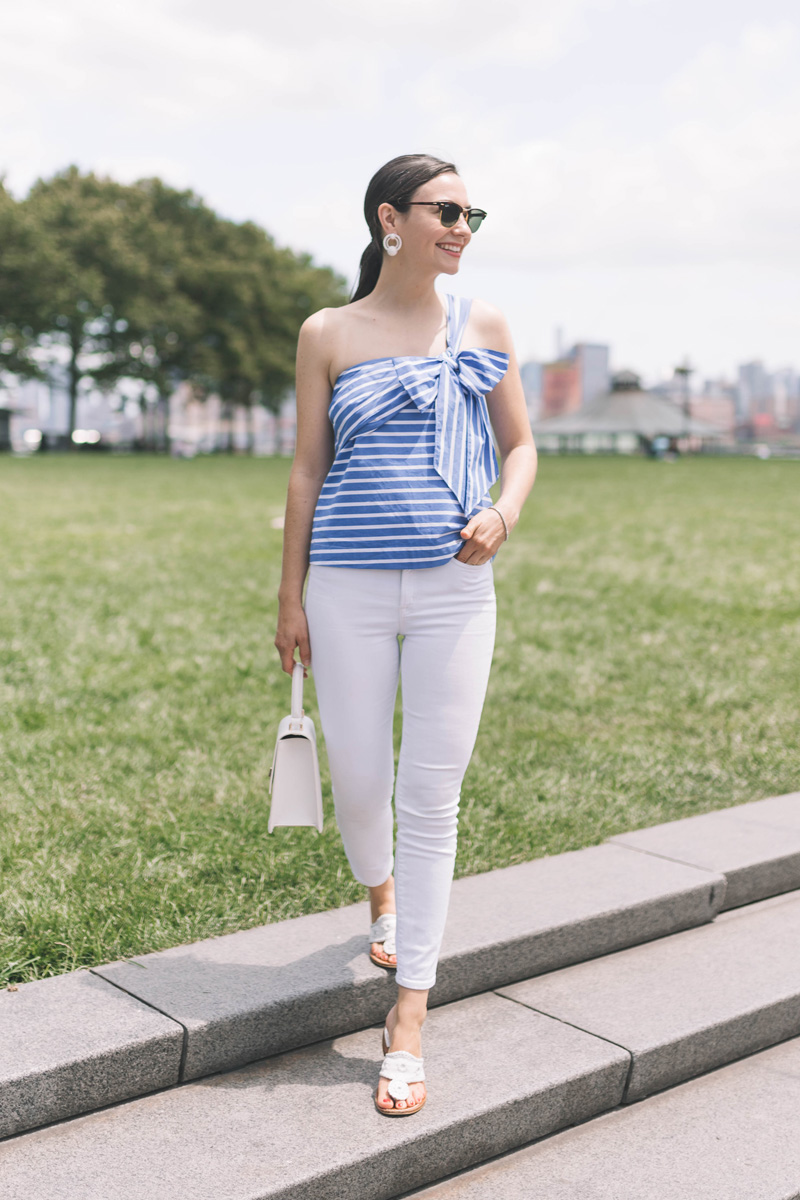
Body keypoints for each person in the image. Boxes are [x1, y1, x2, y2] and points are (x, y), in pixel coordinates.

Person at [274, 153, 537, 1116]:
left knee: (432, 794)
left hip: (455, 593)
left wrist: (505, 512)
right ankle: (376, 890)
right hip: (342, 586)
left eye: (473, 212)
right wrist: (290, 596)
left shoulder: (488, 325)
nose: (463, 225)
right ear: (392, 218)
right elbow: (308, 469)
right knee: (359, 782)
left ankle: (411, 1011)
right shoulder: (327, 332)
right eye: (447, 210)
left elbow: (521, 445)